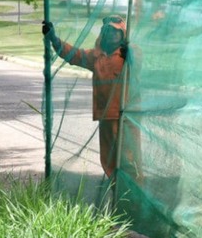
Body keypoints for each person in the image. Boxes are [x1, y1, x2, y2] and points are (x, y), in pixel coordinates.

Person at [42, 15, 141, 181]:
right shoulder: (96, 56)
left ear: (123, 34)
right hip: (107, 116)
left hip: (127, 116)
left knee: (129, 159)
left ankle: (134, 196)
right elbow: (74, 55)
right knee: (110, 161)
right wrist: (53, 39)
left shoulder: (128, 54)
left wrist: (129, 53)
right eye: (108, 31)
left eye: (117, 31)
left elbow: (137, 60)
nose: (113, 34)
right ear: (103, 33)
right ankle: (117, 193)